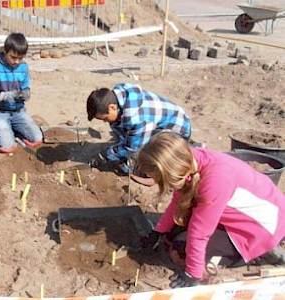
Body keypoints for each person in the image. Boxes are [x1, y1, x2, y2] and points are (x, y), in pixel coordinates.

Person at [137, 132, 285, 288]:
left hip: (260, 228)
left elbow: (199, 233)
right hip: (234, 215)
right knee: (171, 234)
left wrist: (192, 274)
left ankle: (259, 251)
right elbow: (177, 201)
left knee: (180, 251)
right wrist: (159, 232)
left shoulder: (216, 180)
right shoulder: (189, 160)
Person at [86, 84, 191, 174]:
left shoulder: (137, 119)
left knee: (141, 163)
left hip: (178, 132)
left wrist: (105, 155)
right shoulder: (119, 95)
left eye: (104, 118)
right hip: (159, 121)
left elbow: (131, 147)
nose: (104, 121)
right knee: (124, 136)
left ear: (112, 107)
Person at [0, 33, 43, 153]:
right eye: (13, 57)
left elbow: (26, 88)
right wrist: (3, 96)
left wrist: (26, 94)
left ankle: (10, 129)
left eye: (20, 58)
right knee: (7, 147)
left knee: (37, 138)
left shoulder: (23, 67)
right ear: (5, 51)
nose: (17, 61)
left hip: (18, 111)